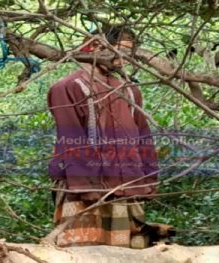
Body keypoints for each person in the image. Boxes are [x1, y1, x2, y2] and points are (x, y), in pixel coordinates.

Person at [47, 26, 159, 248]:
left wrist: (147, 179)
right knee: (80, 253)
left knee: (129, 253)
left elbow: (143, 137)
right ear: (96, 46)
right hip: (82, 190)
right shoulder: (68, 87)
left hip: (127, 186)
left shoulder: (129, 90)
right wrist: (89, 187)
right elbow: (71, 140)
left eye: (129, 54)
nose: (125, 60)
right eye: (120, 52)